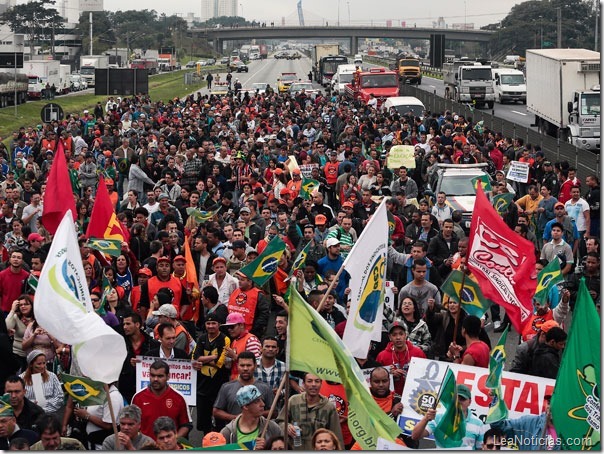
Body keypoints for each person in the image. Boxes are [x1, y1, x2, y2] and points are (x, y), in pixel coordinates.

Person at [276, 373, 344, 450]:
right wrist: (287, 427)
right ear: (303, 384)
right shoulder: (293, 401)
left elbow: (336, 436)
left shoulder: (329, 407)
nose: (313, 384)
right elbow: (279, 422)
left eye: (317, 381)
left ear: (321, 384)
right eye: (309, 381)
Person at [131, 359, 193, 440]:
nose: (155, 379)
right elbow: (131, 425)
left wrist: (173, 440)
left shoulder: (179, 398)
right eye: (152, 375)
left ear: (168, 376)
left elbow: (186, 425)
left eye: (160, 376)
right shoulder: (138, 397)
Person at [213, 351, 273, 430]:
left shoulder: (265, 388)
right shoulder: (226, 387)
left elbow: (273, 412)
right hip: (234, 433)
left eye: (248, 365)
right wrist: (237, 418)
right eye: (242, 365)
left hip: (259, 434)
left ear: (255, 366)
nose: (245, 368)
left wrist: (254, 415)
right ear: (237, 366)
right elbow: (216, 411)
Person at [192, 313, 230, 436]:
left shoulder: (225, 339)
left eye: (214, 323)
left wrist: (203, 360)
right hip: (202, 386)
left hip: (219, 386)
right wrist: (212, 357)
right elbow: (194, 358)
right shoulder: (201, 338)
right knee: (204, 421)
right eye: (208, 323)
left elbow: (219, 363)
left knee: (219, 421)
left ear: (219, 325)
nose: (211, 326)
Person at [411, 384, 484, 449]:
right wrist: (426, 418)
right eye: (456, 398)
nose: (458, 402)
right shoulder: (438, 418)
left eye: (462, 399)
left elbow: (480, 449)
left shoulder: (479, 424)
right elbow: (415, 436)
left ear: (469, 402)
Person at [376, 321, 426, 395]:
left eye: (401, 334)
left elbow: (426, 375)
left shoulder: (418, 353)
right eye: (394, 335)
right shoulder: (382, 356)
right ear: (390, 337)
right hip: (390, 397)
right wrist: (389, 374)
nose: (398, 337)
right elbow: (375, 379)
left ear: (406, 335)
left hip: (414, 396)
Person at [491, 394, 557, 450]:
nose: (550, 406)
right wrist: (496, 401)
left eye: (556, 404)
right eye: (549, 402)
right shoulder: (529, 423)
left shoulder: (566, 432)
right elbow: (499, 427)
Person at [19, 350, 63, 415]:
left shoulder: (52, 376)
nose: (42, 366)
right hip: (29, 414)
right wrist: (32, 406)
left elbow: (59, 397)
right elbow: (19, 399)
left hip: (49, 414)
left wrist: (43, 408)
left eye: (44, 363)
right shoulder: (21, 378)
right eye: (39, 364)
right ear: (31, 364)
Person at [222, 313, 262, 380]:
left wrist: (234, 356)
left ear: (241, 325)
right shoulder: (235, 341)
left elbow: (257, 364)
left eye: (232, 326)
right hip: (236, 381)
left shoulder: (251, 340)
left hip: (247, 383)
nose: (229, 330)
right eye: (227, 327)